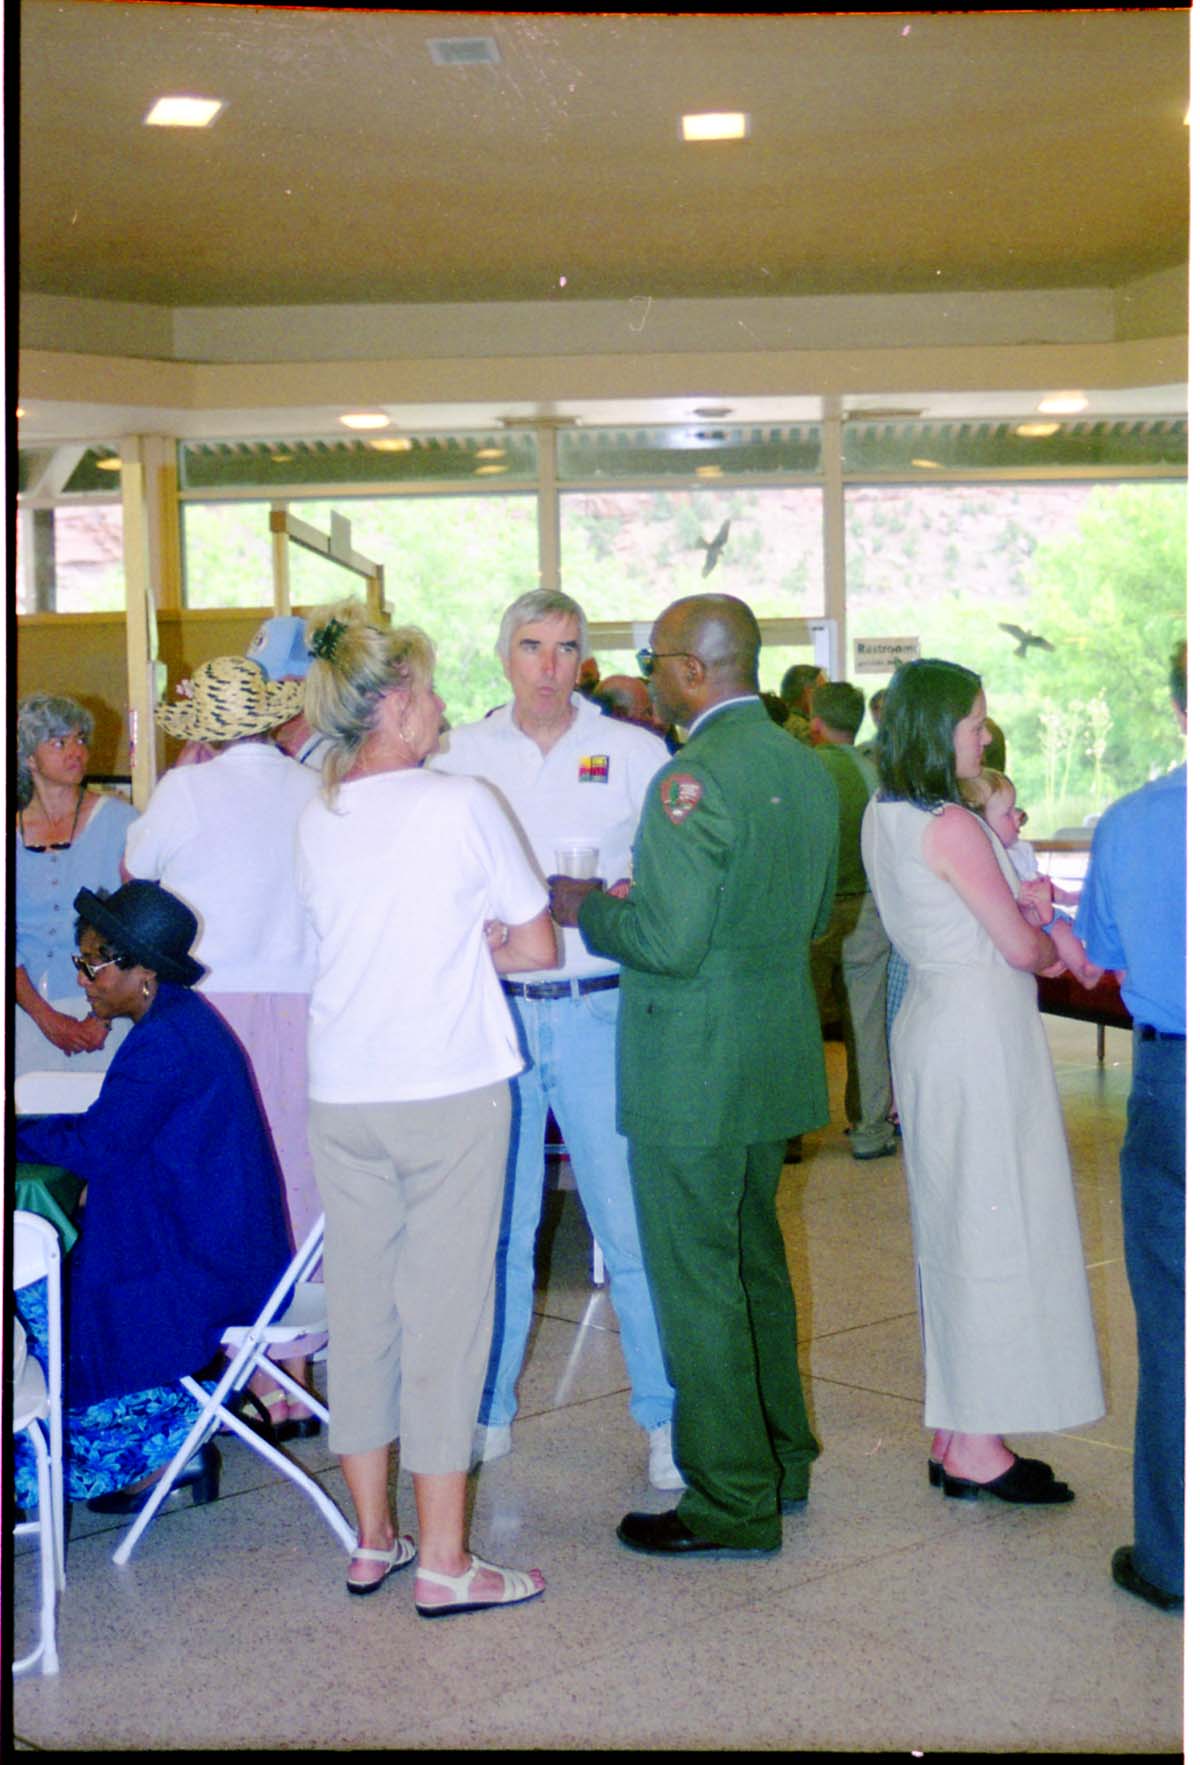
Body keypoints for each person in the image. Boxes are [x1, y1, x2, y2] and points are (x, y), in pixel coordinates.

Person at [550, 593, 839, 1557]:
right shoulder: (808, 768)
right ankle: (782, 1458)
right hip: (772, 1056)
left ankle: (729, 1498)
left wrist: (590, 910)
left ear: (689, 670)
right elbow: (809, 915)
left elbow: (667, 943)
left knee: (697, 1279)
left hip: (691, 1070)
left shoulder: (690, 779)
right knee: (755, 1261)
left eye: (657, 657)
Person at [296, 598, 553, 1613]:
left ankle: (373, 1540)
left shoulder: (317, 812)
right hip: (444, 1088)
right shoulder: (462, 803)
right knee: (446, 1320)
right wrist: (476, 940)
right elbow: (535, 946)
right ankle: (448, 1563)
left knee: (362, 1314)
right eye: (433, 688)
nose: (445, 705)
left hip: (343, 1090)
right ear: (396, 704)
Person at [429, 589, 680, 1492]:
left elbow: (668, 879)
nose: (548, 663)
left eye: (566, 647)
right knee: (498, 1227)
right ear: (504, 655)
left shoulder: (637, 752)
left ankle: (664, 1417)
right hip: (489, 1015)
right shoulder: (457, 753)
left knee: (629, 1222)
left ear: (585, 659)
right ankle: (487, 1412)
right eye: (531, 645)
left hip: (596, 1009)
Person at [861, 658, 1104, 1504]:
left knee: (955, 1220)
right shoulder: (953, 826)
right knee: (992, 1224)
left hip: (935, 1020)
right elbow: (1018, 947)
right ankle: (975, 1442)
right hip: (978, 1031)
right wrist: (1049, 937)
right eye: (973, 723)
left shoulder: (886, 813)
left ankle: (960, 1422)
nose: (983, 735)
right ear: (936, 729)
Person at [13, 881, 291, 1515]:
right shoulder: (176, 1020)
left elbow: (98, 1147)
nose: (82, 978)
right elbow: (114, 1131)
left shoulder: (166, 1040)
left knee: (38, 1297)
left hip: (204, 1269)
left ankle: (163, 1444)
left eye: (91, 964)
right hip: (207, 1245)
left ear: (141, 972)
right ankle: (160, 1438)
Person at [125, 654, 324, 1439]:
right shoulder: (312, 787)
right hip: (307, 997)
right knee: (297, 1174)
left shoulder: (187, 790)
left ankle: (244, 1359)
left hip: (213, 1004)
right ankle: (298, 1366)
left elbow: (134, 881)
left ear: (202, 730)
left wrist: (180, 771)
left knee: (221, 1176)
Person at [1074, 642, 1186, 1612]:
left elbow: (1102, 954)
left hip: (1171, 1080)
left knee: (1175, 1319)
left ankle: (1176, 1554)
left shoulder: (1133, 821)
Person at [15, 693, 138, 1076]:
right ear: (28, 758)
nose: (76, 751)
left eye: (81, 739)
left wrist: (99, 1020)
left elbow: (137, 932)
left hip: (107, 1017)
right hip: (24, 1014)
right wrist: (45, 1018)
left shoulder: (122, 822)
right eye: (59, 742)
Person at [807, 681, 896, 1161]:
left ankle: (789, 1136)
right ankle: (870, 1129)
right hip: (869, 909)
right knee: (866, 1022)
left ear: (814, 721)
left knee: (799, 1022)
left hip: (811, 916)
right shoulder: (875, 770)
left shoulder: (803, 769)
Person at [960, 768, 1103, 990]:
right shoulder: (988, 860)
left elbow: (1042, 883)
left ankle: (1087, 969)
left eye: (1016, 809)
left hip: (1048, 919)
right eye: (1007, 813)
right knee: (1053, 928)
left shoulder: (1021, 851)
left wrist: (1070, 897)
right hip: (1020, 925)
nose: (1019, 816)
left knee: (1063, 929)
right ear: (981, 825)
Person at [246, 613, 331, 770]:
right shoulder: (258, 745)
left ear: (309, 681)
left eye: (273, 684)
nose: (260, 693)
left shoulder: (331, 756)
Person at [779, 662, 826, 744]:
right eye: (823, 691)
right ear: (809, 693)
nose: (826, 697)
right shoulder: (803, 730)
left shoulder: (777, 719)